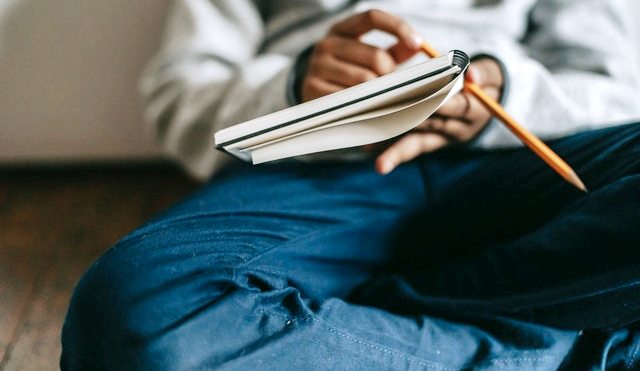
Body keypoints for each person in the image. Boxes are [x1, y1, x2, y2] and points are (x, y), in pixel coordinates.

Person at [61, 0, 640, 369]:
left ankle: (352, 320)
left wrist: (504, 94)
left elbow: (616, 83)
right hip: (310, 172)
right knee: (135, 313)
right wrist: (291, 89)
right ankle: (593, 352)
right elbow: (179, 92)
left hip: (518, 159)